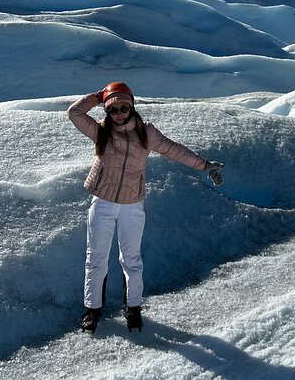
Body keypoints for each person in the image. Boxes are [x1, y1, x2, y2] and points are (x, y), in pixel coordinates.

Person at [67, 81, 224, 333]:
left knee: (131, 260)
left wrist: (205, 166)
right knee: (96, 259)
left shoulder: (146, 133)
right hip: (103, 203)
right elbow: (74, 113)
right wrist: (99, 96)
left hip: (132, 206)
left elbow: (175, 150)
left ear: (132, 106)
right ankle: (92, 310)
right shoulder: (101, 132)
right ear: (106, 111)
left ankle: (133, 309)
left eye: (123, 107)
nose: (119, 113)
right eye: (113, 109)